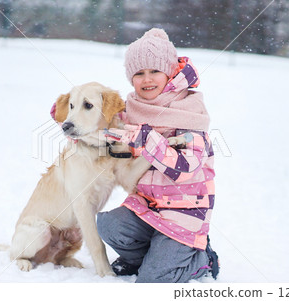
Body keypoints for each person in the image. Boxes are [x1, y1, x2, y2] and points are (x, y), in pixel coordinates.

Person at [97, 28, 219, 283]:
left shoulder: (189, 111)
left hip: (183, 214)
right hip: (147, 206)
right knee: (109, 225)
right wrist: (73, 116)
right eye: (139, 73)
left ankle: (200, 259)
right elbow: (105, 130)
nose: (146, 79)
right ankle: (144, 257)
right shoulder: (133, 109)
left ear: (170, 72)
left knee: (153, 281)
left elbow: (186, 167)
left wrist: (145, 137)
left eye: (154, 71)